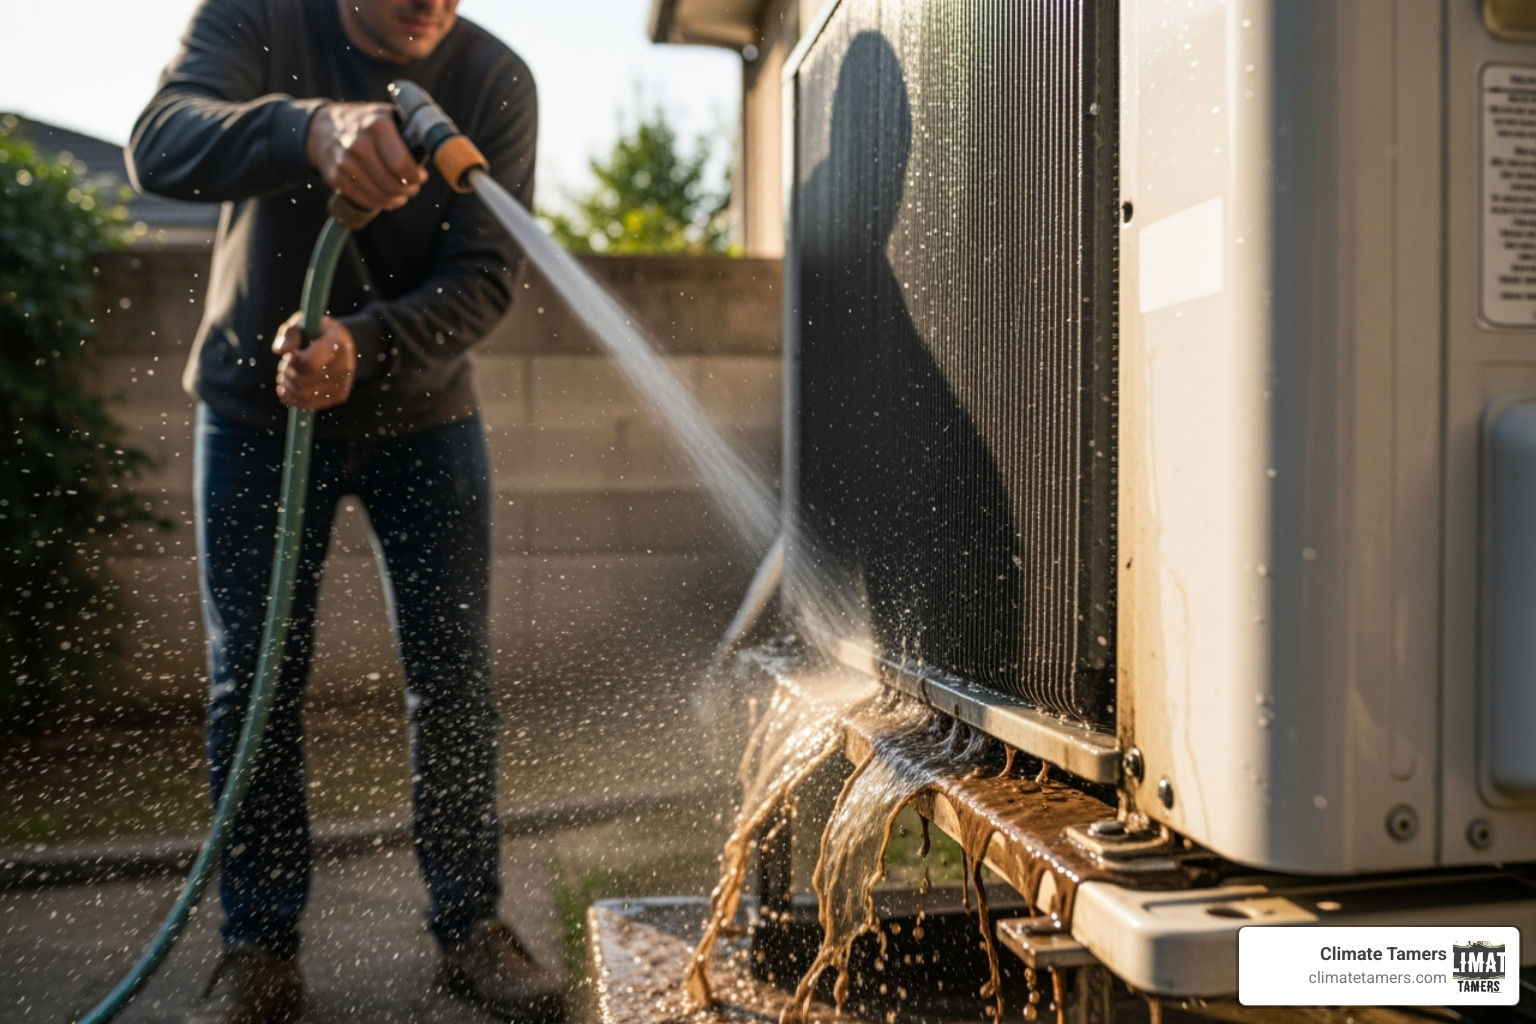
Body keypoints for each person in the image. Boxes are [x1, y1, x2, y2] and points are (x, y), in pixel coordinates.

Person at [126, 1, 557, 1021]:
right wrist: (307, 128)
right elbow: (157, 143)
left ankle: (470, 923)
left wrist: (365, 343)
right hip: (253, 405)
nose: (430, 7)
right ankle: (259, 946)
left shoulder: (497, 80)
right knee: (256, 678)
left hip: (422, 410)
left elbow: (488, 275)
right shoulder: (253, 19)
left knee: (450, 673)